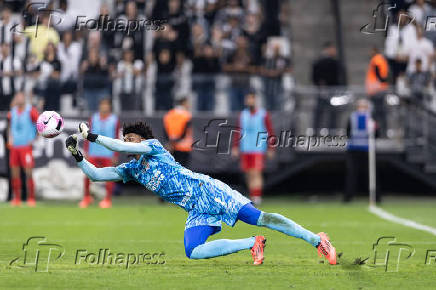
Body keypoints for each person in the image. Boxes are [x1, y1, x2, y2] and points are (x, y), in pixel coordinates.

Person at [65, 122, 337, 266]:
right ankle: (252, 243)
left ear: (141, 140)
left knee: (261, 217)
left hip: (208, 191)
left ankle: (317, 240)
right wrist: (78, 154)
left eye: (130, 139)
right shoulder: (132, 169)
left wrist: (92, 136)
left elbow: (111, 143)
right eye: (125, 140)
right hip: (196, 210)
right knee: (193, 251)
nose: (127, 143)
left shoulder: (154, 147)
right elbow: (97, 175)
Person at [232, 92, 275, 205]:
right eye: (248, 99)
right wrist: (235, 146)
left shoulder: (263, 114)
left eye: (251, 99)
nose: (249, 101)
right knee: (248, 173)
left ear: (255, 100)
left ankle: (257, 196)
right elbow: (238, 131)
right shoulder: (243, 115)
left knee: (256, 172)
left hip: (258, 148)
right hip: (245, 148)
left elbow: (270, 131)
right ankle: (252, 194)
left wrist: (271, 147)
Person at [81, 99, 120, 208]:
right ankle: (87, 197)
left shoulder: (114, 120)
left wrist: (115, 154)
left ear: (109, 107)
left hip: (108, 152)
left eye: (106, 105)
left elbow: (116, 137)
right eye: (102, 105)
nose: (104, 107)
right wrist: (86, 150)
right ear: (99, 106)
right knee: (87, 175)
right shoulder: (93, 118)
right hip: (94, 151)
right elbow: (87, 135)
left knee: (109, 176)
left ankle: (107, 199)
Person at [344, 99, 381, 203]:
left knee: (371, 174)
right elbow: (348, 132)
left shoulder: (371, 119)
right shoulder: (352, 117)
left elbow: (377, 134)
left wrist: (373, 129)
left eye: (364, 106)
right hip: (353, 149)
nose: (362, 108)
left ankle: (376, 197)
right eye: (360, 106)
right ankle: (348, 197)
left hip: (367, 149)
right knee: (352, 173)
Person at [7, 92, 38, 207]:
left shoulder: (31, 111)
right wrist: (10, 138)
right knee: (15, 173)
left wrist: (35, 138)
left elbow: (39, 124)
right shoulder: (12, 112)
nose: (19, 99)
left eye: (21, 97)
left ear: (24, 98)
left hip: (26, 147)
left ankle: (31, 198)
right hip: (15, 147)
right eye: (17, 97)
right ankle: (17, 199)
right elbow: (10, 126)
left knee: (28, 172)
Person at [311, 42, 343, 132]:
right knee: (321, 112)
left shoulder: (334, 62)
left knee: (331, 113)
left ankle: (327, 132)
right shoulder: (324, 62)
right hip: (325, 91)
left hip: (331, 92)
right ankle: (318, 131)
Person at [365, 47, 389, 137]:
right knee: (379, 113)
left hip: (377, 91)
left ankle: (379, 134)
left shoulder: (376, 60)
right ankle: (380, 133)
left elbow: (380, 76)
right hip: (378, 91)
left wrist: (378, 84)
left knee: (377, 114)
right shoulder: (380, 59)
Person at [163, 97, 193, 167]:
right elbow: (184, 132)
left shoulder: (169, 115)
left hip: (172, 146)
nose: (189, 105)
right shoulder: (186, 115)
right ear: (184, 103)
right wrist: (178, 140)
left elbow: (165, 131)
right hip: (184, 146)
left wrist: (170, 142)